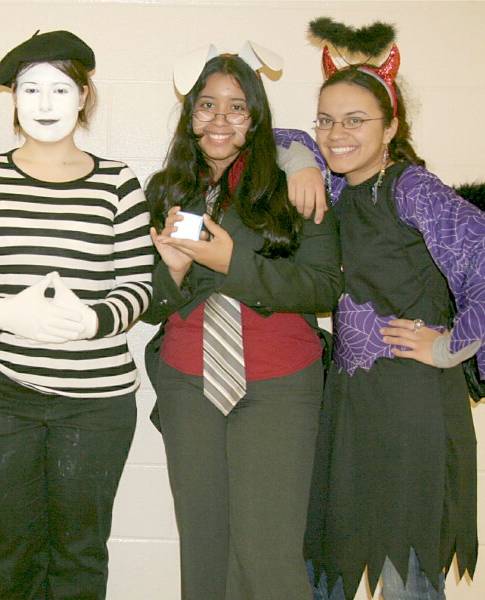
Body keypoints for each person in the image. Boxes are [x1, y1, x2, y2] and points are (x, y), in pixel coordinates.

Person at [303, 19, 485, 599]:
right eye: (326, 119)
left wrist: (451, 346)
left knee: (407, 575)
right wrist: (299, 160)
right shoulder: (337, 186)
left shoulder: (409, 187)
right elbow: (277, 137)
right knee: (332, 564)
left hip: (412, 408)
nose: (335, 134)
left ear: (391, 126)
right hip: (350, 404)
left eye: (355, 120)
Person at [0, 30, 154, 599]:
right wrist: (4, 312)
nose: (46, 103)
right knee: (15, 551)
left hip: (96, 402)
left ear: (84, 96)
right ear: (14, 99)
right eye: (31, 90)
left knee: (81, 554)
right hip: (1, 395)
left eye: (60, 89)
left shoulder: (118, 182)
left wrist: (93, 321)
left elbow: (137, 285)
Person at [141, 46, 343, 599]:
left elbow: (324, 287)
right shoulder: (166, 190)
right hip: (189, 382)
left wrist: (234, 264)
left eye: (237, 107)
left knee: (267, 559)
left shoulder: (295, 183)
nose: (220, 120)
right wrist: (173, 273)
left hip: (279, 382)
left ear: (255, 117)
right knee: (204, 554)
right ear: (191, 114)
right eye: (208, 105)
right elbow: (149, 303)